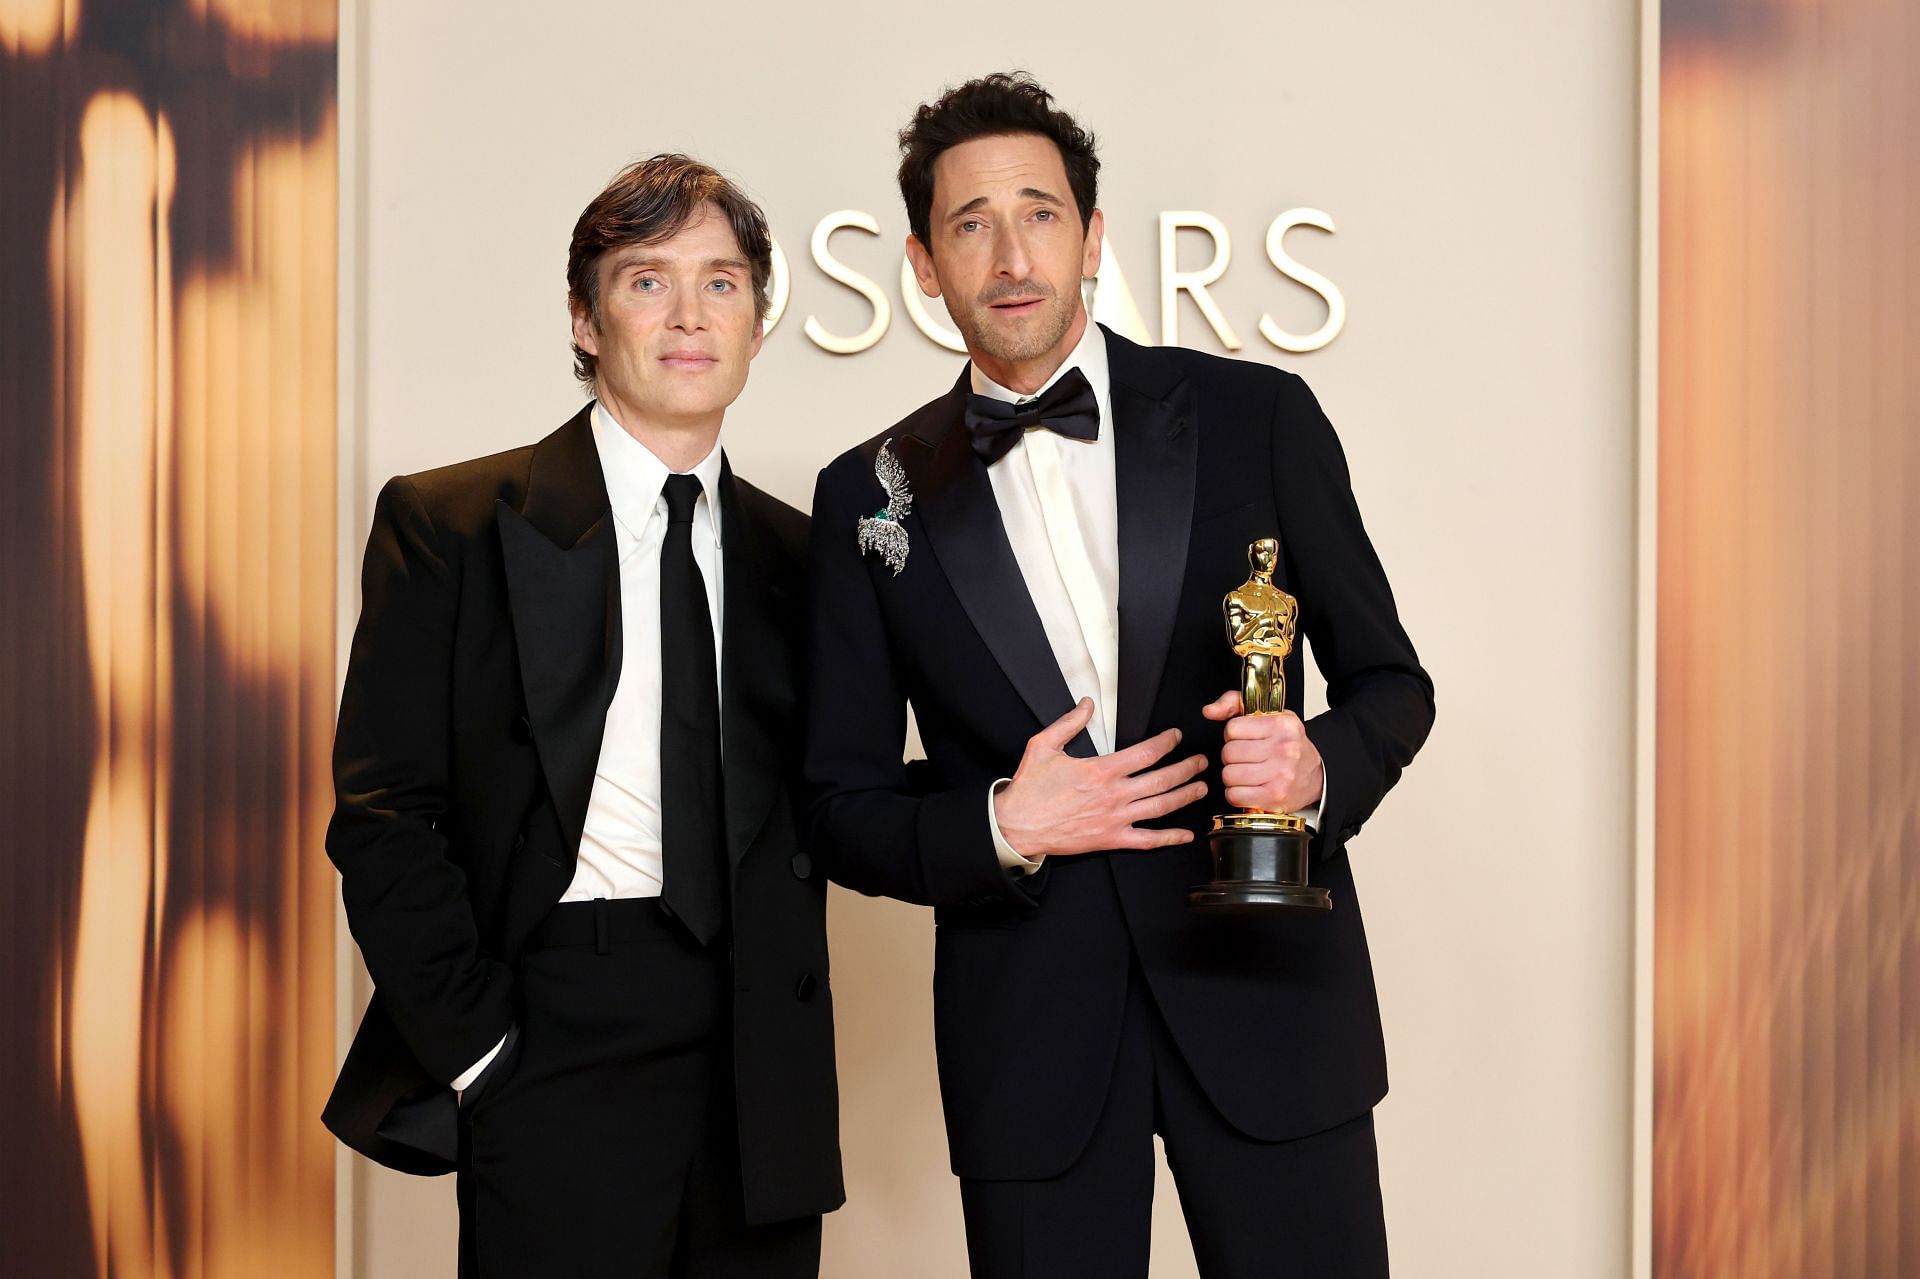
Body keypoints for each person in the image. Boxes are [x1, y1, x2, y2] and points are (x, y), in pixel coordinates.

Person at [806, 74, 1433, 1277]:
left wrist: (1312, 768)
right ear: (924, 265)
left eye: (1039, 212)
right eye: (969, 224)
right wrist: (997, 823)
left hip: (1268, 999)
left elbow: (1392, 684)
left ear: (1093, 236)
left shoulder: (1258, 415)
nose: (1009, 253)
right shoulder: (864, 493)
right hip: (1030, 1034)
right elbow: (839, 804)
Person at [324, 154, 840, 1278]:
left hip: (762, 1048)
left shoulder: (803, 556)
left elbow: (841, 798)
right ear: (585, 316)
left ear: (757, 319)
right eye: (649, 280)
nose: (691, 314)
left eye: (723, 281)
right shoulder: (450, 524)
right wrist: (480, 1047)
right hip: (556, 1024)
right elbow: (382, 814)